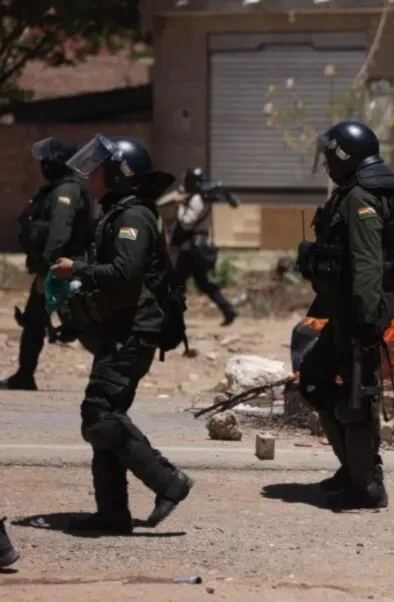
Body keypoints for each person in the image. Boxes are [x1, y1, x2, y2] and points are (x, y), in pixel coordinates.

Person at [53, 135, 193, 532]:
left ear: (117, 176)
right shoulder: (120, 213)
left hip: (133, 332)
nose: (91, 178)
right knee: (107, 417)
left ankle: (168, 481)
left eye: (98, 171)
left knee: (98, 416)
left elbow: (125, 277)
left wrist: (76, 271)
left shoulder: (132, 217)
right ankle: (112, 514)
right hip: (120, 330)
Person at [296, 120, 394, 509]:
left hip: (359, 316)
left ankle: (367, 485)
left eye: (330, 156)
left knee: (357, 399)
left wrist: (366, 324)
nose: (326, 163)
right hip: (346, 313)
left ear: (345, 157)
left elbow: (366, 267)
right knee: (314, 379)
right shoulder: (358, 191)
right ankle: (353, 468)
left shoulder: (361, 197)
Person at [2, 138, 92, 391]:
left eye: (46, 160)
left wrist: (46, 271)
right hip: (57, 269)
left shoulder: (66, 192)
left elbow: (58, 235)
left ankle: (116, 373)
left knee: (84, 325)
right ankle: (24, 374)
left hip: (62, 270)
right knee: (34, 320)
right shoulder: (58, 189)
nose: (42, 164)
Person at [170, 167, 238, 326]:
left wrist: (180, 207)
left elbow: (187, 223)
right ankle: (228, 309)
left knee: (177, 283)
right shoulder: (202, 198)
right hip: (197, 247)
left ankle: (173, 318)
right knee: (202, 282)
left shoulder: (196, 200)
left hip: (191, 248)